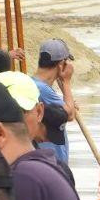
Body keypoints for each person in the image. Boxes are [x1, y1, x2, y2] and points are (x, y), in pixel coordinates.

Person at [32, 39, 79, 168]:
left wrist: (68, 102)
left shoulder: (37, 84)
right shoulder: (42, 88)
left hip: (49, 160)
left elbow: (66, 109)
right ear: (61, 65)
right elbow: (70, 115)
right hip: (51, 162)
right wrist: (66, 82)